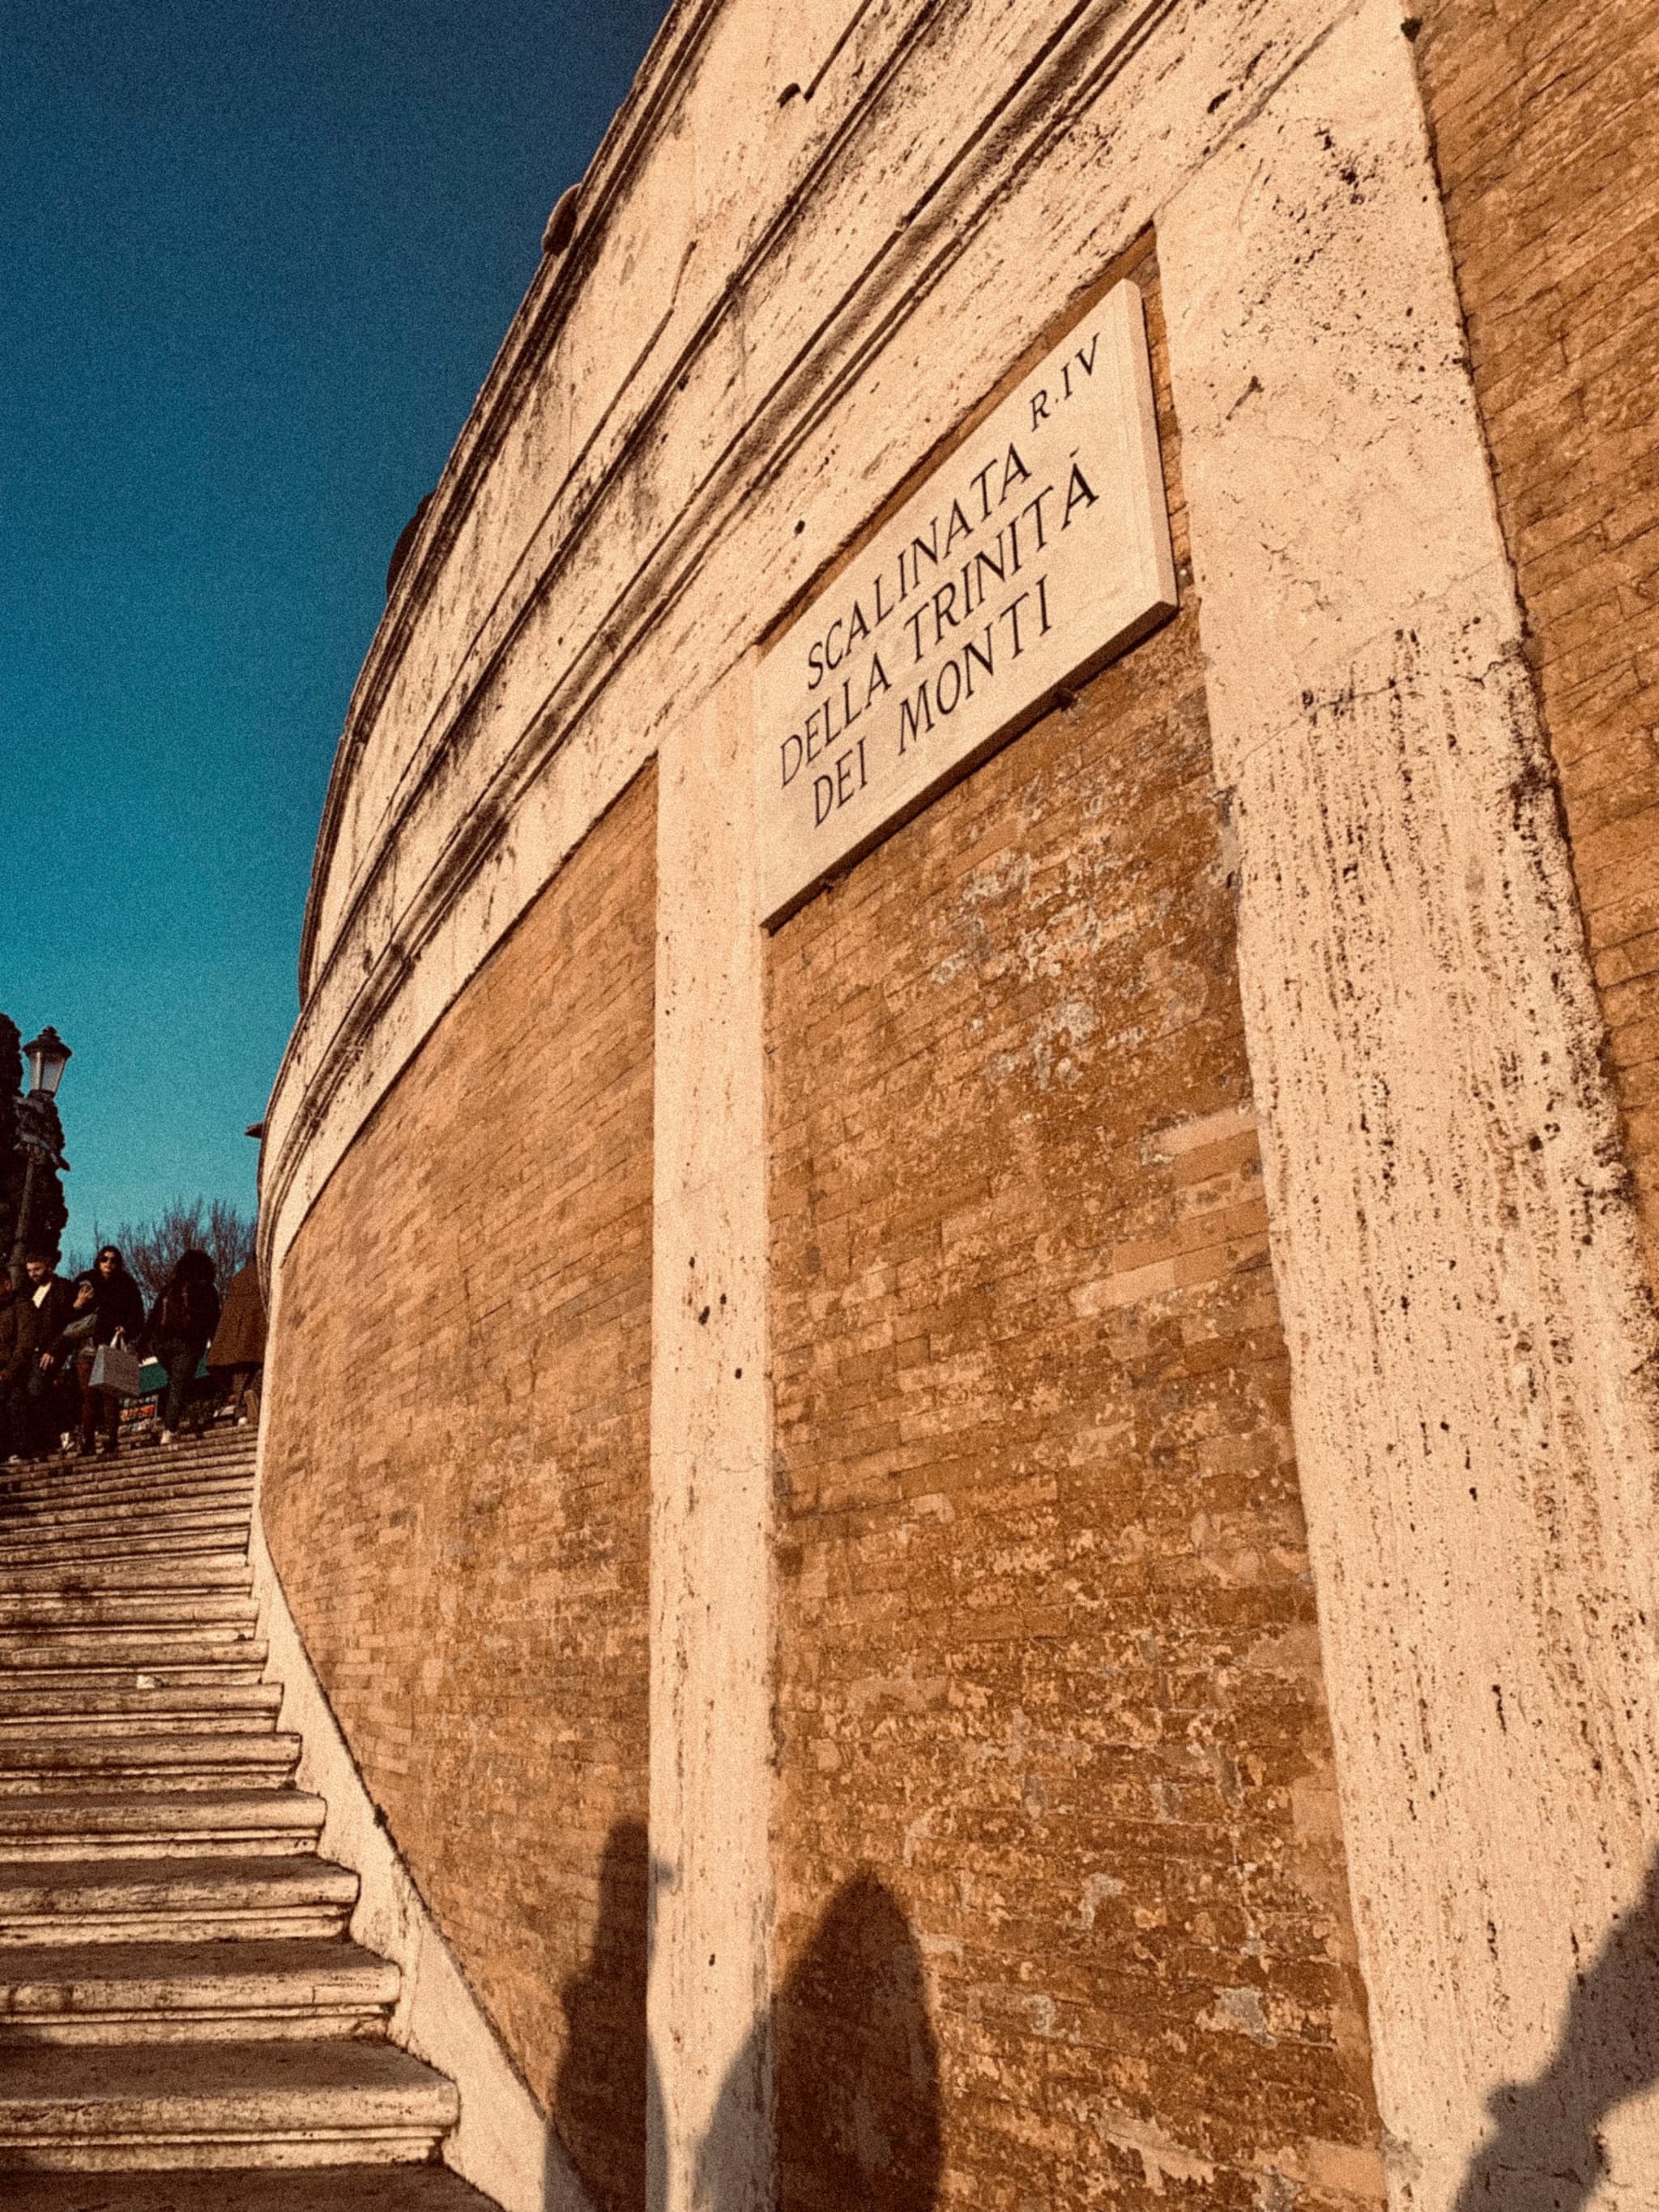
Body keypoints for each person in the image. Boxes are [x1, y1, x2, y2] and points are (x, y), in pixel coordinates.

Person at [70, 1245, 144, 1459]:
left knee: (110, 1394)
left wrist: (127, 1329)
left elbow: (138, 1314)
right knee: (88, 1396)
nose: (108, 1264)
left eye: (113, 1260)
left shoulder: (127, 1284)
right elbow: (67, 1312)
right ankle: (87, 1442)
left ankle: (111, 1440)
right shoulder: (86, 1279)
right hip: (87, 1343)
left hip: (111, 1343)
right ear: (98, 1260)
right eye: (104, 1259)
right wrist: (78, 1303)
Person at [143, 1249, 220, 1446]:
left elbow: (153, 1317)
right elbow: (212, 1319)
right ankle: (170, 1429)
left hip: (161, 1345)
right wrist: (215, 1343)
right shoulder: (206, 1289)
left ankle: (173, 1420)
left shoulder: (170, 1288)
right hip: (188, 1343)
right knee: (179, 1383)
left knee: (175, 1382)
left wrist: (143, 1345)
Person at [20, 1251, 77, 1459]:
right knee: (35, 1393)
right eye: (29, 1271)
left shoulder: (63, 1287)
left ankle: (62, 1432)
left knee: (39, 1390)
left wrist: (54, 1349)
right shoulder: (29, 1292)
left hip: (52, 1349)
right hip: (32, 1350)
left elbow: (66, 1323)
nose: (33, 1274)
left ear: (49, 1267)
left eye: (37, 1269)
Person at [207, 1257, 266, 1428]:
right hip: (257, 1327)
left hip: (235, 1335)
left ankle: (241, 1414)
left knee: (239, 1375)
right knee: (261, 1367)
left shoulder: (239, 1276)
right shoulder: (262, 1272)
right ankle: (253, 1393)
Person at [0, 1273, 37, 1464]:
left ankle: (21, 1450)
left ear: (6, 1284)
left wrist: (9, 1371)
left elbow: (25, 1343)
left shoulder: (22, 1306)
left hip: (17, 1371)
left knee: (15, 1405)